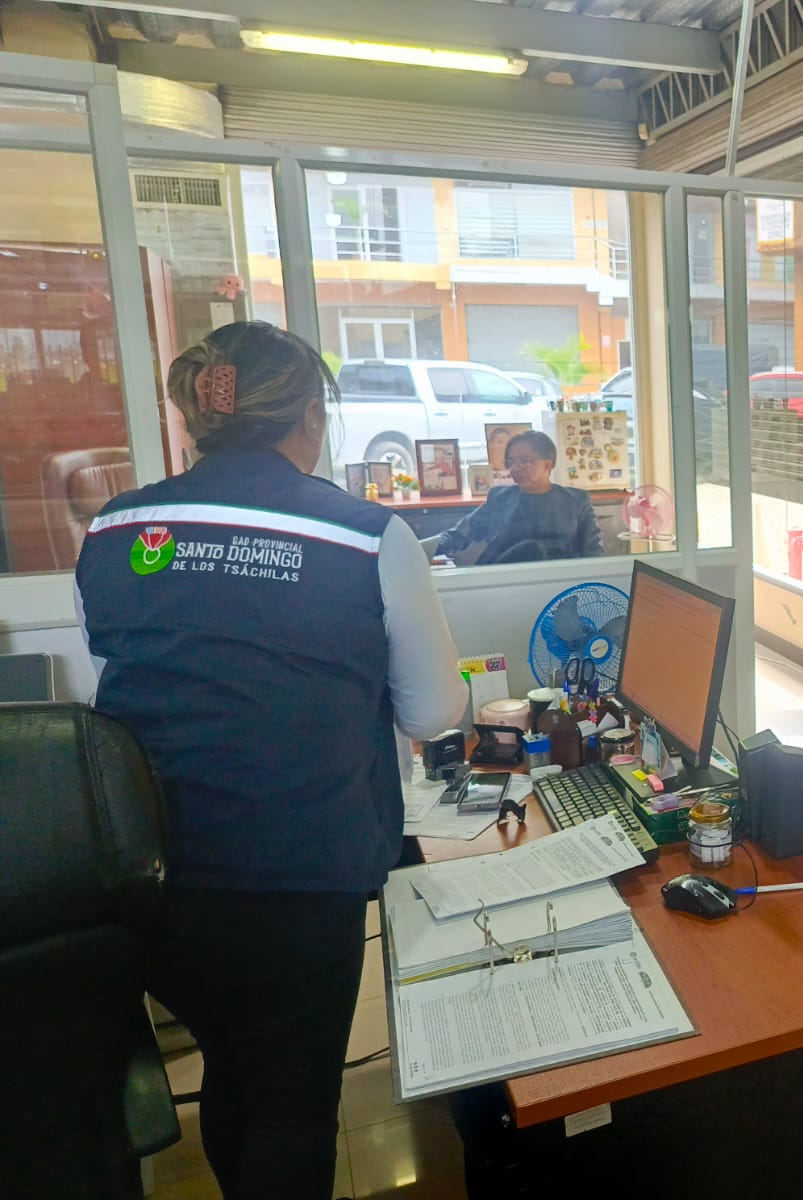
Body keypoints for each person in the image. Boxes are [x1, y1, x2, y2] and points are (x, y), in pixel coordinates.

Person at [75, 321, 467, 1199]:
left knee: (232, 1064)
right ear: (311, 416)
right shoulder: (365, 533)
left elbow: (122, 659)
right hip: (296, 876)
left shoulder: (117, 524)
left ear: (196, 415)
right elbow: (435, 712)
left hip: (150, 874)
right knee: (292, 1104)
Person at [435, 430, 604, 564]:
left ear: (548, 464)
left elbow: (593, 552)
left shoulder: (576, 501)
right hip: (503, 580)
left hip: (561, 584)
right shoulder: (500, 498)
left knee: (534, 548)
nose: (515, 468)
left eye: (525, 461)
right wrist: (428, 549)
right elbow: (461, 533)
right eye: (511, 462)